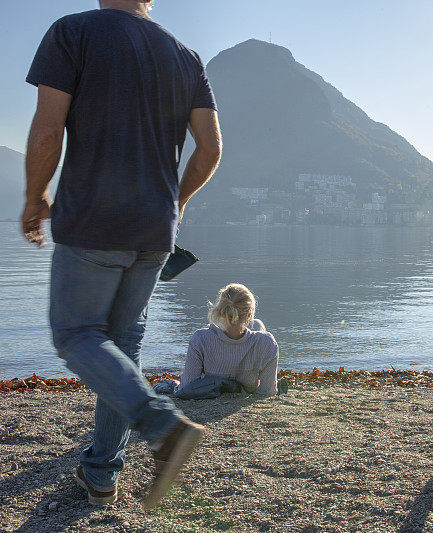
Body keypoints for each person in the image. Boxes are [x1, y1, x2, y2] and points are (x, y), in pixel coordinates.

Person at [23, 0, 222, 509]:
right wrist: (175, 203)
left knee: (75, 335)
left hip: (94, 220)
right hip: (155, 231)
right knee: (121, 347)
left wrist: (34, 197)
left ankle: (164, 428)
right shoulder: (186, 56)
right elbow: (210, 149)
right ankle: (102, 471)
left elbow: (47, 131)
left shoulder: (73, 32)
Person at [177, 284, 283, 398]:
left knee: (256, 325)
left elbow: (186, 387)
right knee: (258, 324)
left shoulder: (200, 338)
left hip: (214, 378)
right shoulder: (267, 342)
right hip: (248, 383)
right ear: (249, 314)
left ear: (221, 311)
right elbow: (267, 392)